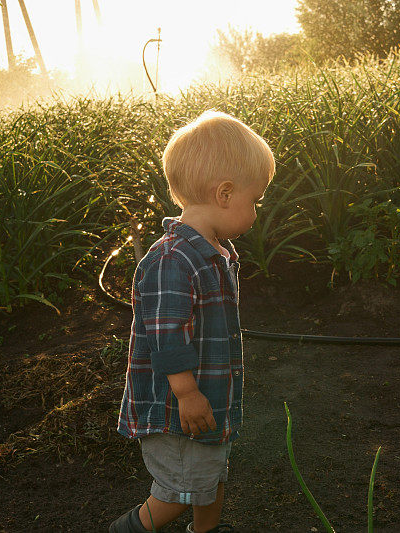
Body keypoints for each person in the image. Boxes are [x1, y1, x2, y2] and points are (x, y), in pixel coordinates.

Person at [109, 109, 275, 533]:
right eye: (253, 201)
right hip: (179, 411)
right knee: (179, 493)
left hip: (207, 403)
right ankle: (127, 529)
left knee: (209, 480)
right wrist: (186, 393)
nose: (256, 213)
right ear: (224, 193)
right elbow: (167, 337)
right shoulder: (173, 260)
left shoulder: (212, 251)